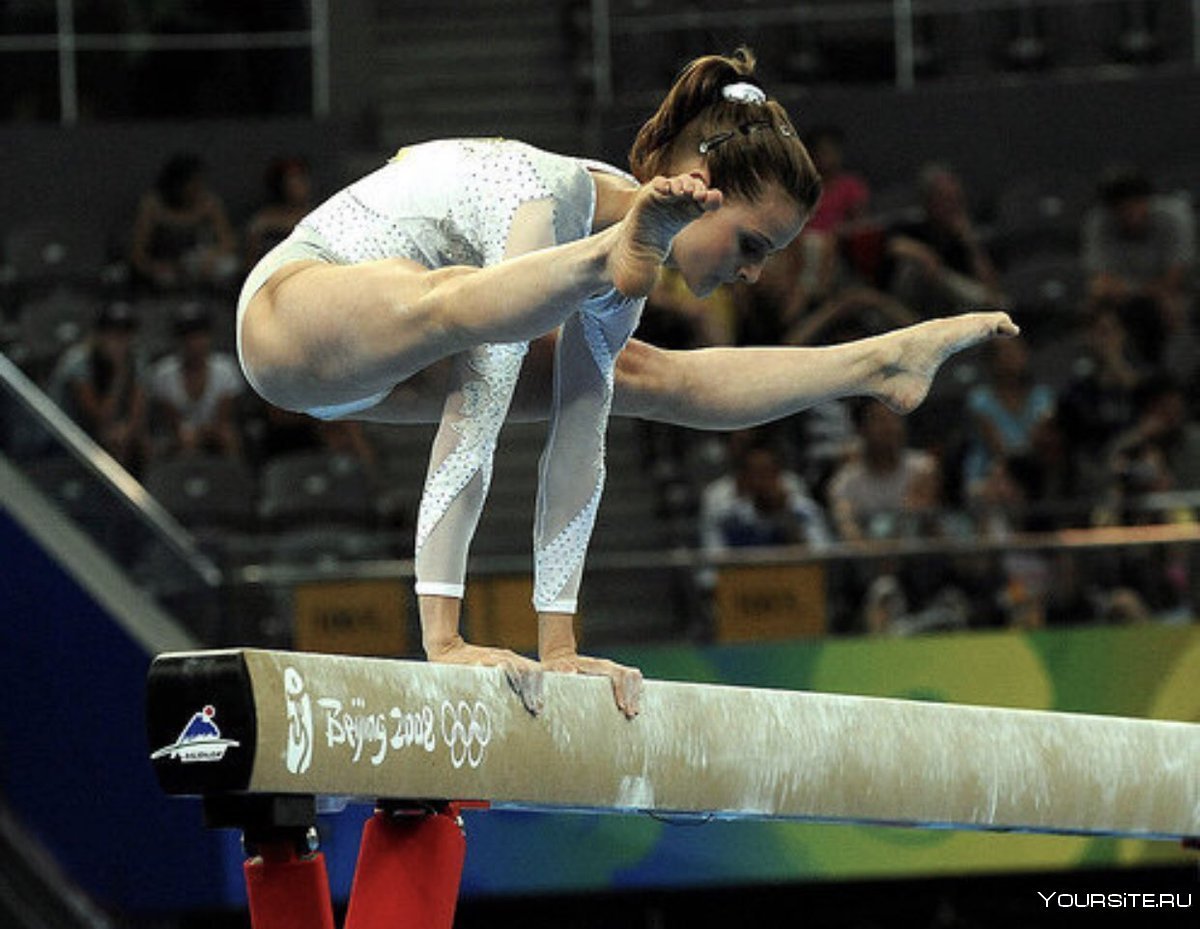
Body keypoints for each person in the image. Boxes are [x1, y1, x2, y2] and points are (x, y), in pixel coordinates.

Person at [235, 49, 1017, 717]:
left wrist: (560, 644)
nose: (752, 272)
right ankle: (590, 263)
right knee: (470, 312)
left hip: (394, 365)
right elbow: (478, 407)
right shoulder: (536, 196)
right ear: (701, 184)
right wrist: (445, 639)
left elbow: (580, 437)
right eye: (751, 243)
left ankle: (874, 364)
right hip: (294, 312)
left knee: (625, 374)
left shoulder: (629, 259)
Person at [1081, 166, 1196, 379]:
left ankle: (1178, 378)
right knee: (1098, 313)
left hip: (1178, 297)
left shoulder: (1175, 217)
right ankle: (1122, 379)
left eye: (1134, 204)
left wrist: (1128, 289)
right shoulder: (1099, 222)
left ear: (1147, 201)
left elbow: (1174, 279)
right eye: (1120, 208)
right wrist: (1140, 292)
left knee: (1171, 307)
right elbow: (1101, 284)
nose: (1128, 213)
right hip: (1129, 303)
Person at [886, 162, 1005, 315]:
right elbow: (890, 244)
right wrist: (922, 253)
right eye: (945, 200)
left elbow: (992, 290)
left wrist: (970, 243)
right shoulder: (912, 226)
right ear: (928, 202)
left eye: (957, 200)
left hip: (957, 308)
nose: (953, 207)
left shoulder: (966, 238)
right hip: (913, 306)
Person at [48, 300, 151, 474]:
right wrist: (119, 375)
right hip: (67, 433)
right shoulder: (78, 362)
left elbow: (137, 411)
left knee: (139, 443)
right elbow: (99, 417)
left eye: (125, 333)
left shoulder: (135, 358)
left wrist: (126, 432)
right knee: (109, 441)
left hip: (107, 432)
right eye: (113, 333)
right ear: (98, 334)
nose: (119, 340)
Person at [146, 301, 245, 460]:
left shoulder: (225, 369)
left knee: (228, 436)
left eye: (200, 335)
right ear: (178, 340)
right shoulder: (163, 373)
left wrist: (203, 431)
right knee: (184, 439)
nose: (194, 343)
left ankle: (233, 474)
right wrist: (188, 433)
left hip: (215, 430)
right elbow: (172, 421)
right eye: (188, 336)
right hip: (177, 435)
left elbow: (223, 418)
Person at [129, 152, 239, 293]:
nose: (197, 188)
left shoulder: (209, 203)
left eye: (200, 183)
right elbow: (138, 252)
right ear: (177, 184)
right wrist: (153, 267)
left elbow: (229, 242)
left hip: (199, 261)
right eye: (192, 183)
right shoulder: (153, 206)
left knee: (228, 267)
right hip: (165, 265)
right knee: (165, 279)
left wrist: (211, 256)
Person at [244, 156, 315, 267]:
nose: (297, 188)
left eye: (301, 180)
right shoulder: (264, 221)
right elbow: (250, 261)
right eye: (291, 182)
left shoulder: (319, 217)